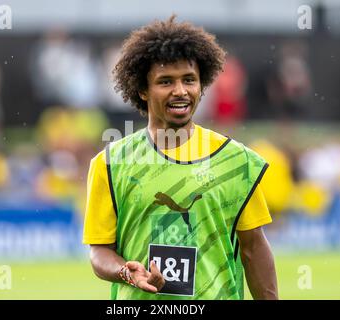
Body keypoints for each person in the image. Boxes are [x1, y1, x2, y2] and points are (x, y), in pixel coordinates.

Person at [83, 16, 278, 300]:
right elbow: (99, 251)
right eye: (165, 82)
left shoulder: (236, 160)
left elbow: (254, 247)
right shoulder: (111, 163)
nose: (180, 91)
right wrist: (126, 271)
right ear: (142, 90)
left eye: (189, 80)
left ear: (202, 85)